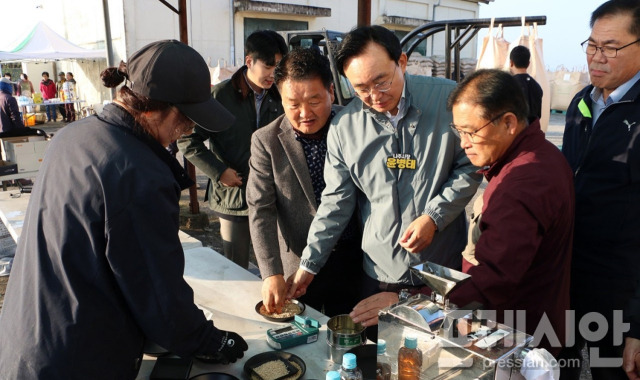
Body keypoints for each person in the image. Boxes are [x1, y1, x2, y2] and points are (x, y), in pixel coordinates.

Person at [0, 40, 248, 379]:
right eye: (188, 118)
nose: (190, 129)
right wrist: (208, 340)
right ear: (155, 108)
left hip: (26, 335)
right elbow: (156, 291)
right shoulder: (138, 172)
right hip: (77, 358)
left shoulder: (72, 135)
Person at [287, 26, 481, 335]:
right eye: (360, 87)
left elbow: (470, 166)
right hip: (379, 272)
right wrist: (309, 264)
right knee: (378, 358)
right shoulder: (344, 127)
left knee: (437, 357)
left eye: (381, 81)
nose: (374, 96)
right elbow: (336, 203)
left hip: (439, 268)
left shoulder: (448, 100)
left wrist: (433, 217)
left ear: (402, 62)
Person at [445, 69, 574, 356]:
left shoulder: (523, 180)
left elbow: (493, 277)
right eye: (459, 131)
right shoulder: (544, 153)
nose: (463, 142)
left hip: (522, 339)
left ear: (508, 122)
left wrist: (423, 302)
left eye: (471, 131)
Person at [247, 48, 364, 317]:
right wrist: (271, 272)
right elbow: (260, 209)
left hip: (354, 256)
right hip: (298, 263)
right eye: (293, 104)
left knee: (351, 331)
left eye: (314, 100)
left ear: (331, 92)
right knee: (300, 334)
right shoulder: (266, 141)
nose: (304, 113)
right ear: (280, 99)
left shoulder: (355, 127)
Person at [560, 0, 640, 378]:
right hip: (571, 277)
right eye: (592, 45)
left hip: (622, 292)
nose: (597, 56)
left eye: (611, 47)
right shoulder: (582, 103)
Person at [178, 30, 287, 269]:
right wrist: (219, 172)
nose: (274, 74)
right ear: (249, 61)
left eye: (279, 67)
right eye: (269, 66)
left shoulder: (281, 96)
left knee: (274, 266)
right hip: (234, 197)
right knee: (236, 267)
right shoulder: (221, 95)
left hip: (272, 197)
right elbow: (188, 141)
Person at [509, 45, 543, 122]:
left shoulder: (508, 85)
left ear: (511, 63)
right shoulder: (537, 87)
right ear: (528, 64)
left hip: (515, 131)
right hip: (533, 131)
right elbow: (538, 114)